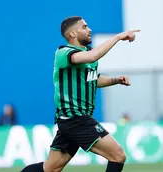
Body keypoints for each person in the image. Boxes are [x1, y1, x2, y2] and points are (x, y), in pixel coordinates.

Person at [21, 16, 140, 172]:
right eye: (84, 27)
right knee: (118, 156)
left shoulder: (87, 53)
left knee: (50, 169)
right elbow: (93, 56)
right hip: (75, 118)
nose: (89, 29)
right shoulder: (64, 52)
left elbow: (93, 80)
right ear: (72, 34)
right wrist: (118, 37)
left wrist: (115, 80)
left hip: (72, 120)